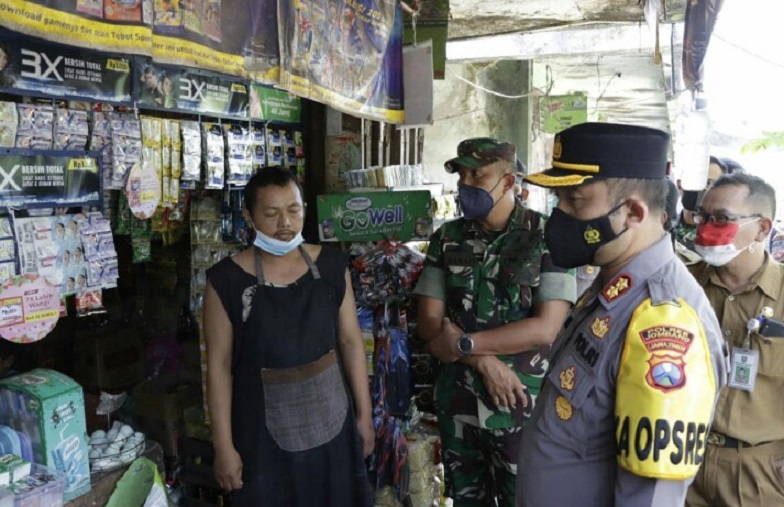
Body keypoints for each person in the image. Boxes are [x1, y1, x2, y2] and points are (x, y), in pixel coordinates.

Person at [516, 122, 728, 507]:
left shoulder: (664, 323)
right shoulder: (612, 286)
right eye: (558, 201)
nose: (558, 215)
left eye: (575, 201)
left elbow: (650, 499)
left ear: (632, 211)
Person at [414, 138, 576, 506]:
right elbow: (428, 324)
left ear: (508, 181)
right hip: (459, 405)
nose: (466, 183)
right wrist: (481, 360)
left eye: (478, 174)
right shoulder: (447, 239)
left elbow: (545, 328)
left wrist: (464, 343)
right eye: (463, 175)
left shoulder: (549, 237)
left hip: (522, 407)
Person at [203, 167, 374, 506]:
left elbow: (352, 342)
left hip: (333, 424)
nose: (284, 223)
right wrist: (223, 445)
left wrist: (365, 417)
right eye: (271, 213)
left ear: (304, 209)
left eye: (293, 211)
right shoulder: (226, 280)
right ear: (249, 216)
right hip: (260, 434)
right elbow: (219, 365)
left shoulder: (331, 267)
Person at [685, 173, 784, 507]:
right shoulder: (683, 286)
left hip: (758, 472)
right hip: (682, 460)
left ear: (762, 227)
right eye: (702, 216)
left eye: (721, 218)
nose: (705, 226)